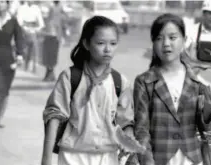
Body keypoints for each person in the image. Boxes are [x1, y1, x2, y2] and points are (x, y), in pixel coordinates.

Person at [41, 16, 134, 165]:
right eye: (100, 43)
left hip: (108, 157)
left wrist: (128, 139)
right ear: (86, 43)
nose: (107, 49)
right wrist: (46, 159)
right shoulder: (70, 77)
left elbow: (126, 122)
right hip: (72, 157)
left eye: (113, 43)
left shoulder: (120, 82)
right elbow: (54, 117)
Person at [132, 13, 211, 165]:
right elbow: (141, 130)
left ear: (184, 41)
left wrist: (209, 110)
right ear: (153, 43)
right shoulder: (144, 81)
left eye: (172, 38)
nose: (166, 43)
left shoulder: (197, 79)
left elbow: (206, 128)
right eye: (159, 38)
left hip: (192, 159)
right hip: (159, 159)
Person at [0, 0, 24, 128]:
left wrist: (19, 55)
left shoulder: (12, 20)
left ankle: (0, 118)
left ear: (7, 4)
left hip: (8, 59)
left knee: (5, 90)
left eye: (2, 2)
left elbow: (19, 38)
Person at [16, 0, 44, 71]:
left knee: (34, 47)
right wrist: (24, 28)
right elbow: (19, 21)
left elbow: (41, 23)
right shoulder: (21, 8)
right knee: (24, 47)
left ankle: (33, 66)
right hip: (23, 30)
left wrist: (36, 29)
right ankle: (24, 64)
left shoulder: (36, 8)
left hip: (33, 30)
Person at [41, 0, 65, 82]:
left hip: (55, 35)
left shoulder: (60, 7)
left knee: (52, 55)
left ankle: (50, 74)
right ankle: (49, 74)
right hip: (49, 34)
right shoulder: (49, 5)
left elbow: (63, 21)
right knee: (48, 55)